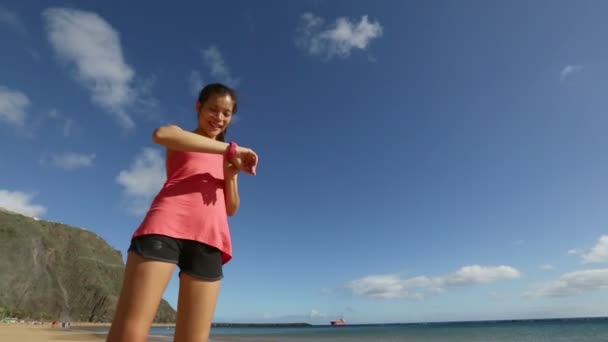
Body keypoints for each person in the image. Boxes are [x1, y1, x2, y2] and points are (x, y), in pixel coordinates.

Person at [106, 83, 258, 342]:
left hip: (210, 239)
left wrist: (231, 173)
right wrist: (230, 149)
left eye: (226, 113)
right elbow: (161, 134)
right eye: (213, 109)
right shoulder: (183, 137)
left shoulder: (226, 156)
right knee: (129, 333)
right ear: (199, 107)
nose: (219, 118)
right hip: (164, 228)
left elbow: (231, 208)